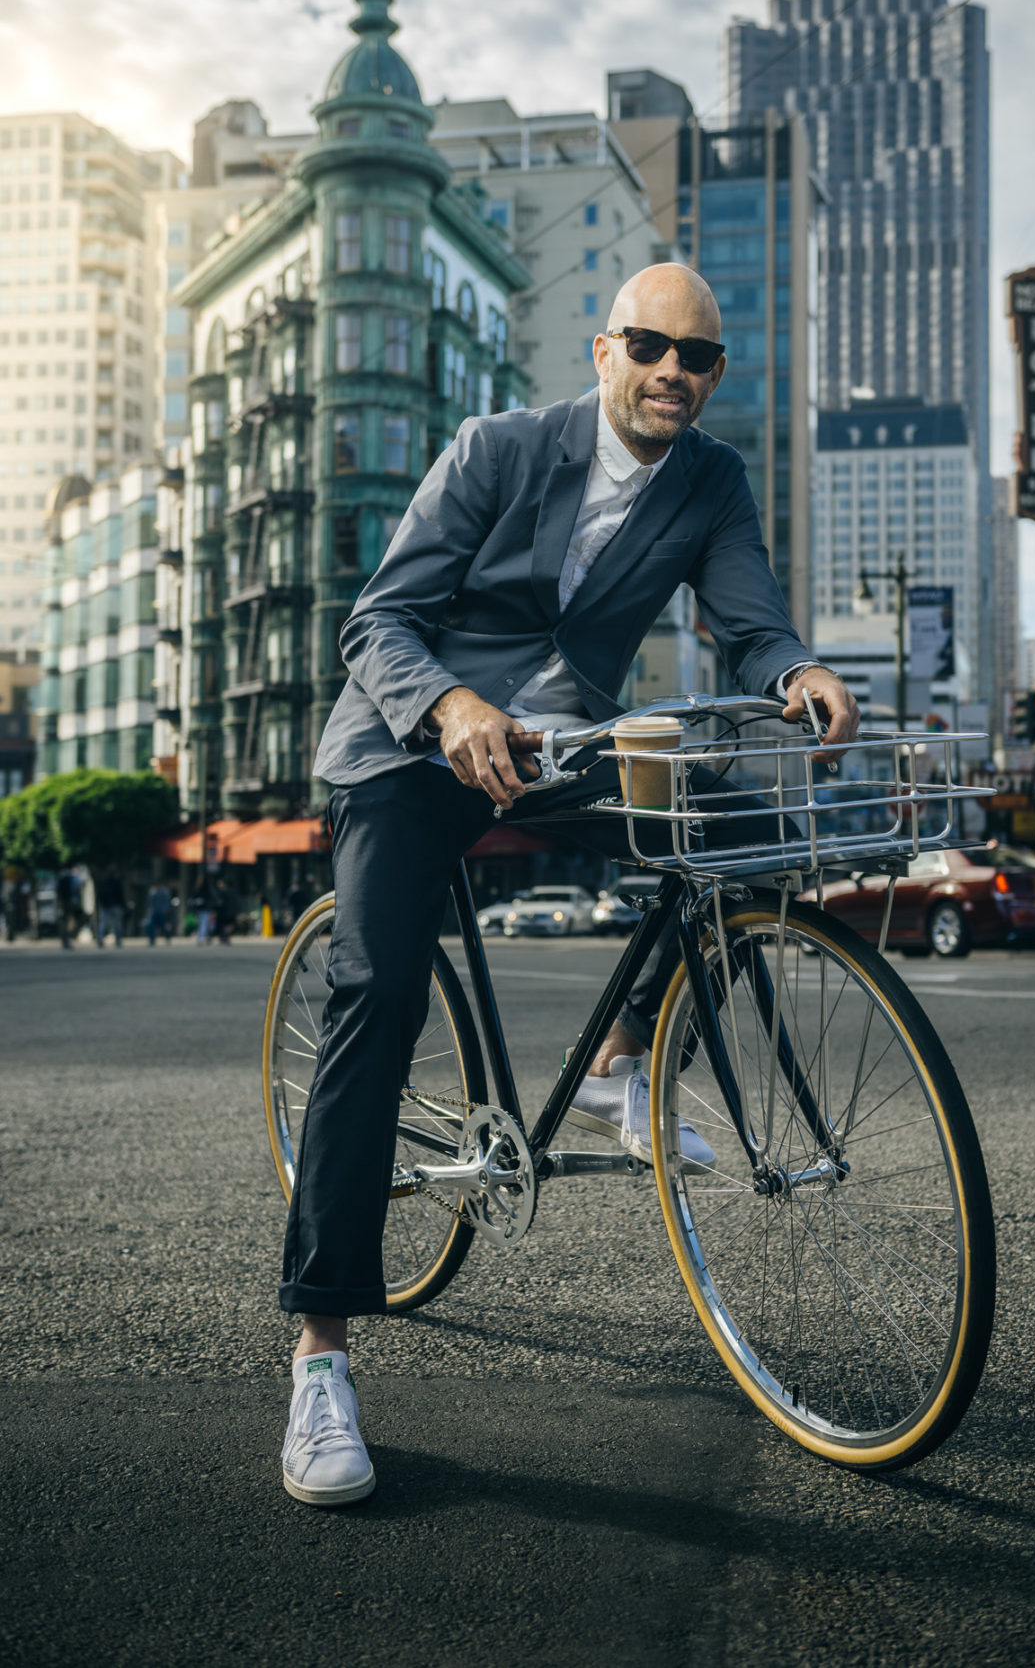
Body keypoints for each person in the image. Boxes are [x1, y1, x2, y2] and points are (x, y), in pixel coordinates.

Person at [278, 265, 860, 1507]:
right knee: (377, 993)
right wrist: (451, 703)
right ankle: (321, 1349)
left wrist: (798, 667)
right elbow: (377, 619)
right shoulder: (499, 447)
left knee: (742, 836)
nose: (672, 372)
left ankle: (618, 1064)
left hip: (562, 750)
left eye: (697, 358)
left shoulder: (712, 479)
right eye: (649, 345)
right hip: (410, 738)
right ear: (604, 350)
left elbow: (751, 623)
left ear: (713, 377)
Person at [94, 867, 125, 948]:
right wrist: (123, 905)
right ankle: (118, 939)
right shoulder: (116, 882)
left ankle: (100, 938)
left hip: (105, 906)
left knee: (103, 923)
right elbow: (120, 895)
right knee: (117, 923)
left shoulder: (103, 882)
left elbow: (99, 895)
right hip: (116, 905)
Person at [144, 880, 173, 946]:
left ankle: (168, 938)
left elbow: (167, 902)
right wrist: (149, 911)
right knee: (151, 925)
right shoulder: (153, 892)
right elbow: (150, 903)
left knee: (165, 926)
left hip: (162, 912)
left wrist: (166, 910)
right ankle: (152, 939)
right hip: (155, 912)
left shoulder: (165, 892)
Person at [56, 869, 77, 951]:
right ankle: (66, 940)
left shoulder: (62, 879)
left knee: (65, 922)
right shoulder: (69, 879)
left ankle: (65, 940)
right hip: (67, 902)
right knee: (67, 922)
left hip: (64, 903)